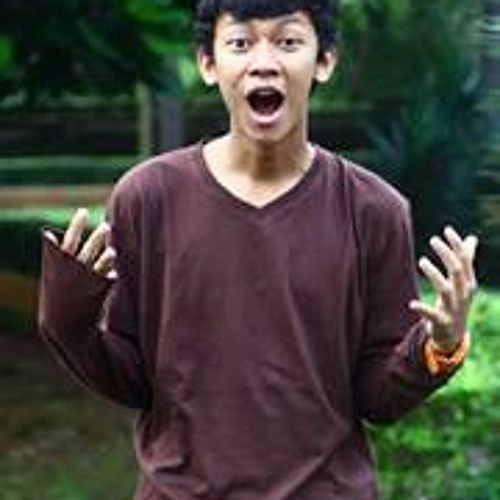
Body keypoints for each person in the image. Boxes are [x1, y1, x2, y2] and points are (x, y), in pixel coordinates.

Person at [38, 0, 478, 499]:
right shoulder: (148, 198)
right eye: (240, 43)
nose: (264, 62)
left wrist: (438, 348)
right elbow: (132, 379)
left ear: (324, 61)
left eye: (288, 41)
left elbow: (377, 396)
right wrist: (68, 320)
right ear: (208, 63)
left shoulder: (374, 211)